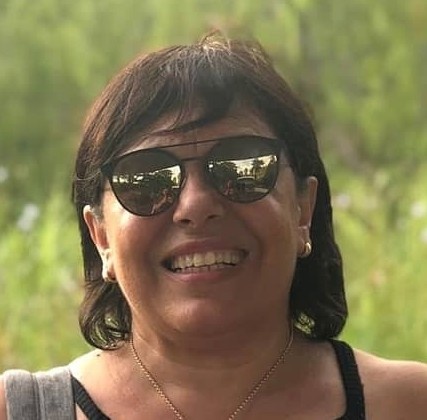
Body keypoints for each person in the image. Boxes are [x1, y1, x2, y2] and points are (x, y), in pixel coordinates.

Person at [1, 32, 427, 420]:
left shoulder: (410, 403)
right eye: (147, 180)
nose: (196, 206)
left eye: (241, 167)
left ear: (303, 210)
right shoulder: (17, 412)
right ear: (101, 237)